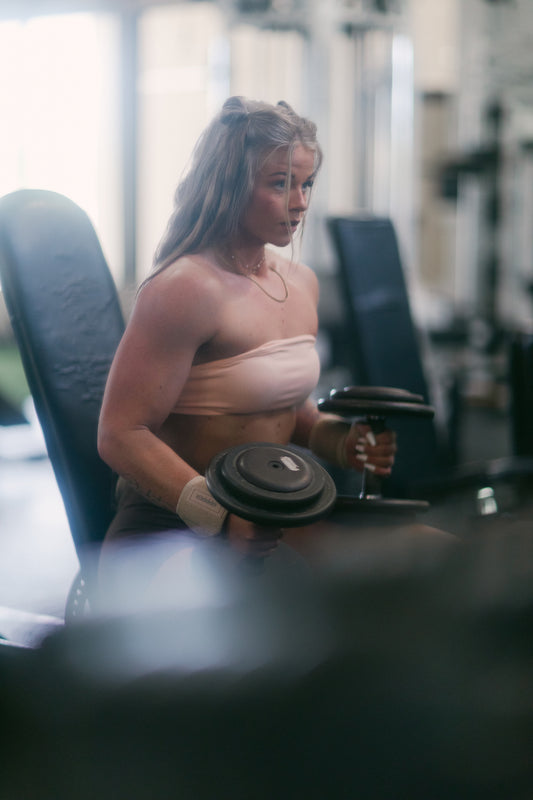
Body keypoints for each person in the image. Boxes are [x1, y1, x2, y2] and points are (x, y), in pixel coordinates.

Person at [97, 96, 396, 588]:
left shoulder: (301, 284)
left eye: (306, 184)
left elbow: (288, 414)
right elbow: (120, 433)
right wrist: (216, 513)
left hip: (268, 519)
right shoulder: (186, 287)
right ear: (232, 186)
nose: (299, 202)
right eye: (280, 184)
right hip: (173, 526)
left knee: (427, 571)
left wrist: (346, 444)